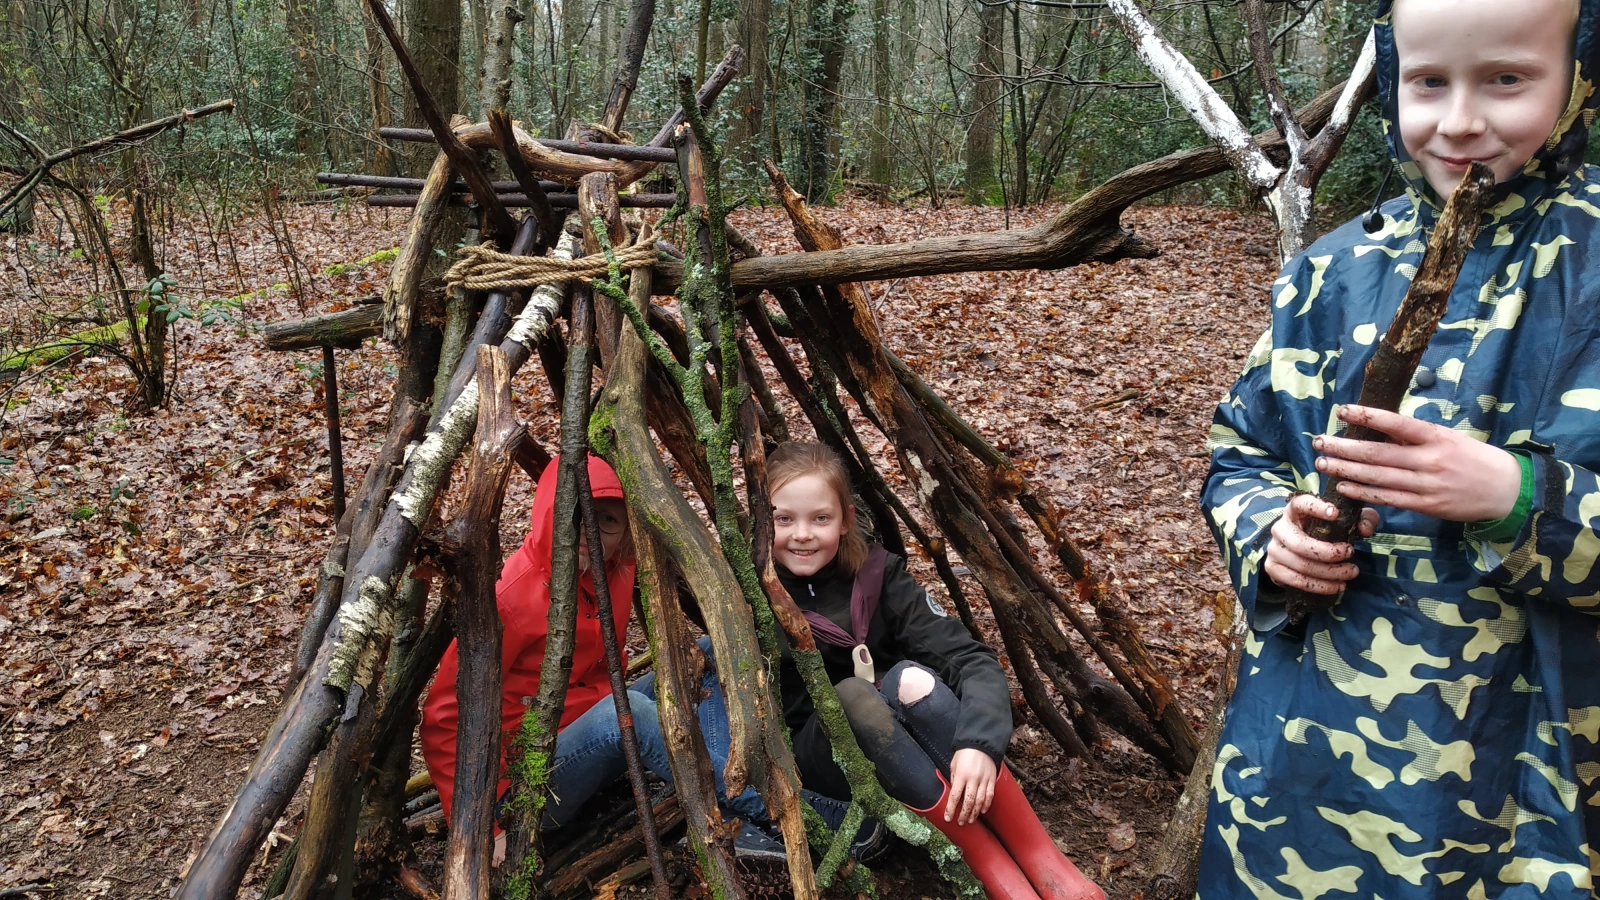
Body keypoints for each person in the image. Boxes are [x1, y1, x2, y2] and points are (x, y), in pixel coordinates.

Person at [1200, 0, 1600, 895]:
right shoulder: (1333, 272)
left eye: (1507, 78)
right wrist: (1272, 536)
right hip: (1302, 773)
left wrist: (1520, 496)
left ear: (1579, 74)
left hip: (1540, 797)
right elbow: (1241, 452)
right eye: (1428, 82)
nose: (1460, 120)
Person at [765, 441, 1102, 900]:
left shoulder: (878, 576)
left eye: (819, 518)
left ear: (845, 520)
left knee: (911, 677)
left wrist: (979, 743)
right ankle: (988, 864)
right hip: (826, 763)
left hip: (907, 750)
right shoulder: (754, 598)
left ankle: (1043, 860)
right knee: (854, 696)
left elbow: (970, 660)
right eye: (784, 519)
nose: (802, 534)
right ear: (765, 521)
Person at [420, 454, 779, 864]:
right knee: (627, 713)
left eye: (606, 521)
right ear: (547, 513)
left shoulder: (615, 572)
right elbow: (443, 716)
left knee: (707, 656)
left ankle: (733, 791)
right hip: (527, 784)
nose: (587, 532)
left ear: (624, 532)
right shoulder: (512, 599)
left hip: (589, 731)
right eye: (573, 514)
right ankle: (770, 808)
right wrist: (487, 827)